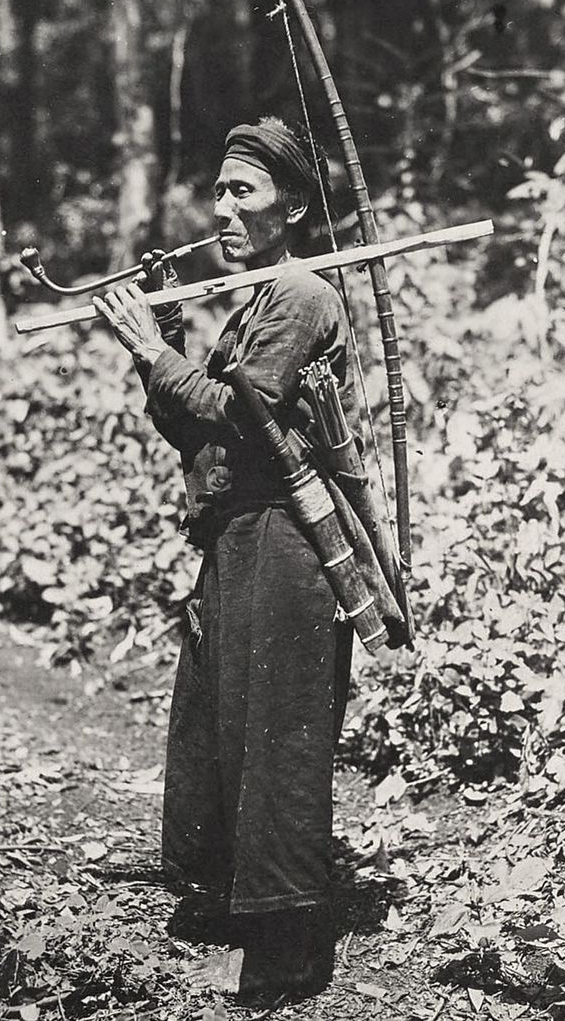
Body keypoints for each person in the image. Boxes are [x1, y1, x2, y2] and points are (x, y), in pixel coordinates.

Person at [93, 117, 363, 1001]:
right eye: (218, 190)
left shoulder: (301, 293)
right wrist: (163, 333)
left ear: (288, 205)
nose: (224, 208)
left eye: (242, 190)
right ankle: (226, 906)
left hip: (288, 538)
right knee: (216, 720)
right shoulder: (252, 300)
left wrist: (152, 348)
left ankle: (289, 952)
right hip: (234, 535)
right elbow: (189, 424)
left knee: (278, 735)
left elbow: (243, 416)